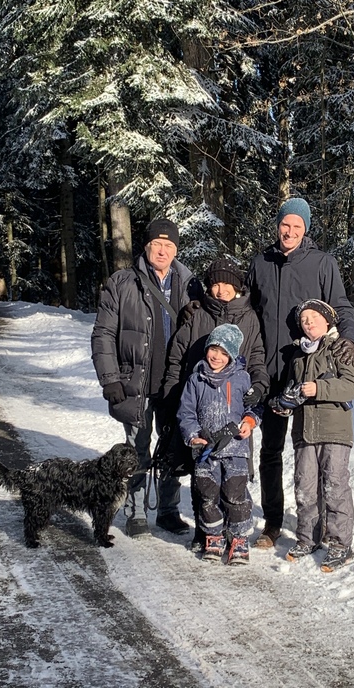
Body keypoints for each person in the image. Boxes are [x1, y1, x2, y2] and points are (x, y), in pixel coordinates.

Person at [245, 197, 354, 549]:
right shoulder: (259, 263)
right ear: (277, 225)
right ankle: (273, 522)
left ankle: (323, 527)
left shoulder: (322, 263)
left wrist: (349, 342)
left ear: (305, 229)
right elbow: (245, 311)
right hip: (269, 371)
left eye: (297, 226)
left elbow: (341, 307)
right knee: (271, 450)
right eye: (285, 224)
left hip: (310, 373)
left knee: (314, 451)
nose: (290, 231)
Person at [91, 218, 202, 538]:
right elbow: (103, 334)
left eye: (169, 245)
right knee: (137, 448)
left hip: (175, 382)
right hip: (134, 382)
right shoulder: (122, 282)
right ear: (146, 246)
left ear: (176, 249)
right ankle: (136, 510)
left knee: (172, 447)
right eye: (158, 244)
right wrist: (109, 378)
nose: (163, 250)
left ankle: (168, 510)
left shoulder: (189, 282)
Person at [161, 257, 269, 550]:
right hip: (200, 406)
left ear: (237, 287)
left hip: (234, 411)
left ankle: (236, 536)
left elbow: (257, 356)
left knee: (233, 480)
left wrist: (259, 386)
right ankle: (206, 532)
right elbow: (177, 356)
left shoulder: (249, 317)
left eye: (227, 285)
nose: (221, 290)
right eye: (216, 284)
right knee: (203, 476)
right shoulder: (196, 314)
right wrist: (173, 397)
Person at [269, 299, 354, 572]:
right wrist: (283, 403)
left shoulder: (339, 348)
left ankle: (339, 543)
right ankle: (308, 537)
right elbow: (292, 391)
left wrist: (317, 388)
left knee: (334, 486)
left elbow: (352, 385)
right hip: (304, 432)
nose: (309, 323)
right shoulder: (297, 356)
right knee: (305, 486)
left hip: (335, 429)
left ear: (328, 322)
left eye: (314, 318)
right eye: (304, 320)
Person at [177, 324, 260, 564]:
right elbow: (186, 413)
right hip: (205, 450)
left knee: (235, 494)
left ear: (232, 355)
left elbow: (254, 408)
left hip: (235, 449)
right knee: (207, 493)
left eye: (224, 353)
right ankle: (213, 536)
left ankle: (238, 538)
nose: (217, 357)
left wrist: (250, 420)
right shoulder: (195, 379)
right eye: (214, 349)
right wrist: (193, 436)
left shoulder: (242, 378)